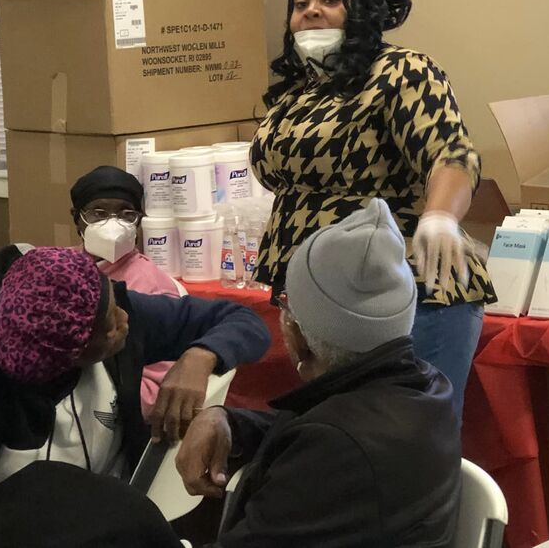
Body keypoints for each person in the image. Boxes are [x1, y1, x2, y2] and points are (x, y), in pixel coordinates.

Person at [250, 0, 495, 420]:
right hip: (324, 306)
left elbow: (452, 151)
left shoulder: (402, 72)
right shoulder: (301, 90)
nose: (311, 12)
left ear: (364, 5)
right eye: (300, 3)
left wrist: (441, 214)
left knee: (401, 446)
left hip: (404, 296)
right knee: (333, 448)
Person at [0, 245, 270, 548]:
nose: (124, 318)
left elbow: (244, 321)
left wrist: (201, 356)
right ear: (73, 356)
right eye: (111, 324)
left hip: (114, 522)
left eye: (114, 303)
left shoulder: (112, 312)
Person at [176, 198, 460, 547]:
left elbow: (331, 444)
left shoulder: (337, 450)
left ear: (297, 334)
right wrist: (231, 422)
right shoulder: (424, 388)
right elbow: (322, 430)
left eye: (284, 302)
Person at [70, 164, 183, 416]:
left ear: (138, 221)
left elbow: (157, 384)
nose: (113, 224)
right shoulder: (59, 268)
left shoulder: (151, 285)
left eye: (125, 214)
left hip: (112, 407)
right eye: (98, 213)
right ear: (77, 218)